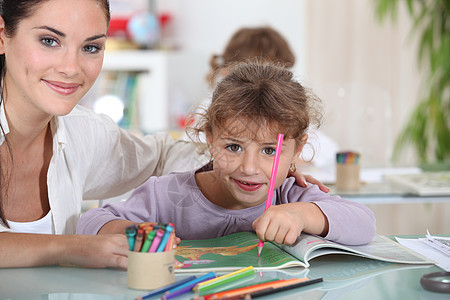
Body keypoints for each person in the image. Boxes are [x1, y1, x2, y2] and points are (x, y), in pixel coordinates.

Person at [0, 0, 322, 269]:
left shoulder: (84, 134)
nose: (71, 67)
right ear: (2, 34)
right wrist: (66, 248)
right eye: (49, 40)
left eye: (91, 47)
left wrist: (270, 163)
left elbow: (163, 155)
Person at [77, 61, 376, 247]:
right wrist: (133, 231)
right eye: (233, 147)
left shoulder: (291, 195)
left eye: (270, 151)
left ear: (297, 149)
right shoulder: (164, 194)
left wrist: (302, 214)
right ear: (210, 139)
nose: (249, 167)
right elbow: (88, 224)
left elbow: (365, 223)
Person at [194, 26, 338, 168]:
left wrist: (284, 159)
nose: (266, 89)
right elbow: (195, 157)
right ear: (226, 73)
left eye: (277, 78)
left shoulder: (282, 109)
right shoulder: (213, 110)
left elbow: (330, 151)